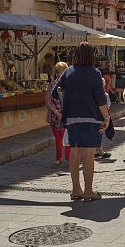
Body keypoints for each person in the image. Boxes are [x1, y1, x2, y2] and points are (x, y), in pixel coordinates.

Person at [53, 42, 109, 202]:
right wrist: (106, 118)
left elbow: (55, 93)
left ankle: (76, 189)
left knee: (74, 154)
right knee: (89, 156)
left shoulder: (68, 71)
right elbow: (100, 99)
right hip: (91, 118)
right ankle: (89, 191)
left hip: (71, 119)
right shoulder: (94, 73)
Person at [45, 61, 69, 166]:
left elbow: (48, 101)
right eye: (61, 72)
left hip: (62, 115)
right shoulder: (53, 85)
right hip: (58, 116)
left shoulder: (68, 84)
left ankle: (64, 158)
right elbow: (48, 101)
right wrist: (57, 111)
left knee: (63, 137)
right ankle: (63, 158)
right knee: (62, 138)